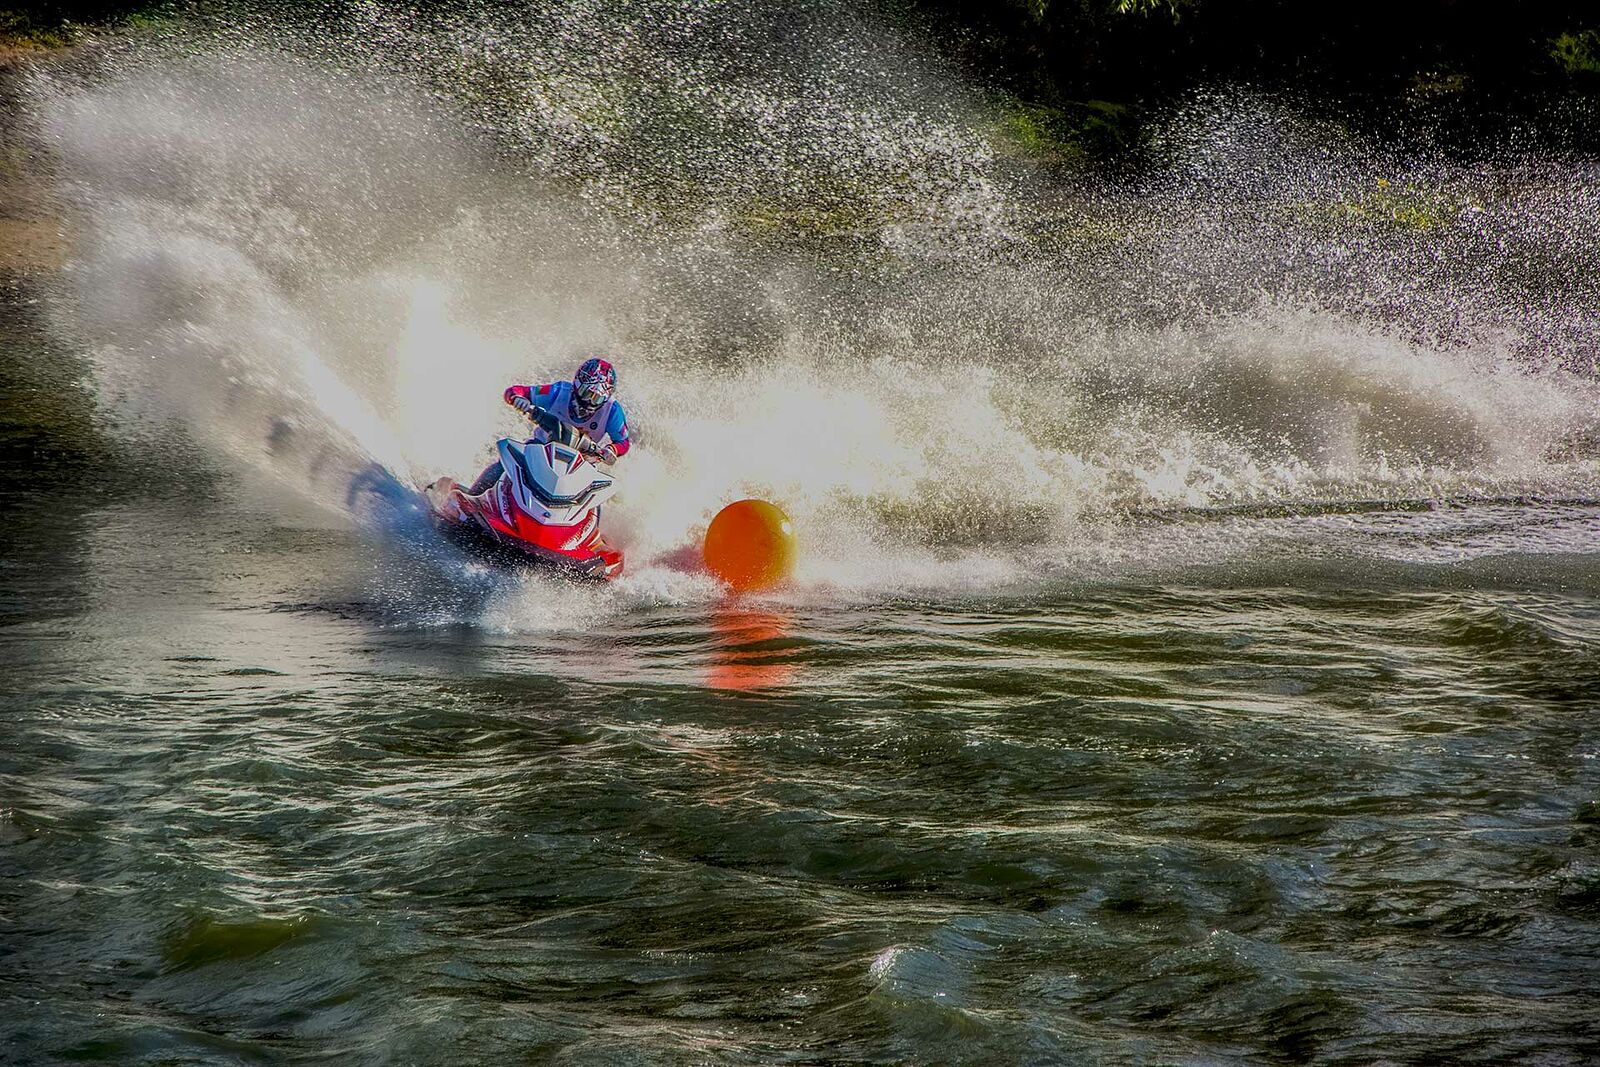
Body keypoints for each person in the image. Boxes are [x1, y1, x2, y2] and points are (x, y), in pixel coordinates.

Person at [466, 358, 633, 494]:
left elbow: (623, 442)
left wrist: (613, 450)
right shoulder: (558, 392)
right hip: (540, 450)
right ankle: (472, 499)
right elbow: (515, 391)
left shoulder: (612, 410)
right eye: (586, 394)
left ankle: (588, 532)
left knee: (593, 496)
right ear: (576, 385)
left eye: (596, 398)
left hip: (582, 463)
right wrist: (518, 399)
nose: (589, 402)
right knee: (505, 466)